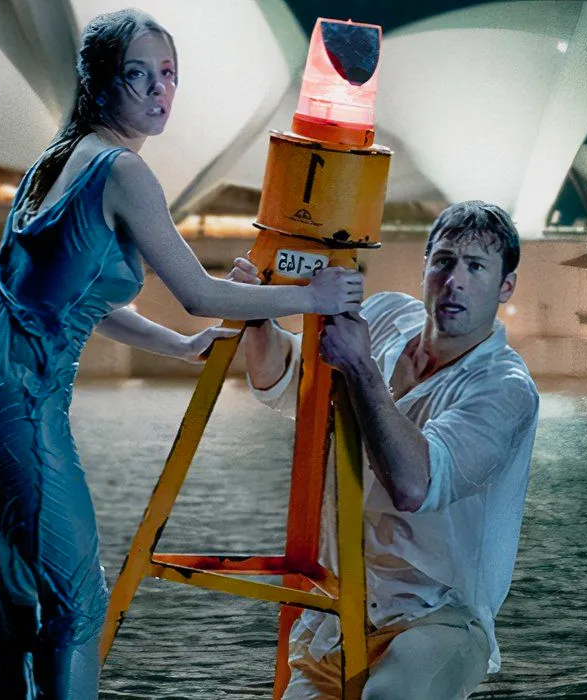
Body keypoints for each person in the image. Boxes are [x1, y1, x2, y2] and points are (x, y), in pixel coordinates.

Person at [0, 9, 363, 699]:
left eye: (169, 75)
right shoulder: (124, 172)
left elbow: (74, 304)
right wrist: (312, 299)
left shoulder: (52, 161)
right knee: (77, 610)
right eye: (139, 75)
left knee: (15, 608)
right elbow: (197, 291)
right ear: (98, 85)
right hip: (20, 406)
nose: (160, 90)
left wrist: (178, 347)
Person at [235, 201, 540, 699]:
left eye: (476, 266)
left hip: (438, 618)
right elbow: (287, 383)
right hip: (341, 608)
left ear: (506, 287)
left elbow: (415, 484)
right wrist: (256, 315)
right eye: (443, 261)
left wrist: (361, 369)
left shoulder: (505, 389)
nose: (454, 281)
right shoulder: (384, 315)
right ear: (424, 268)